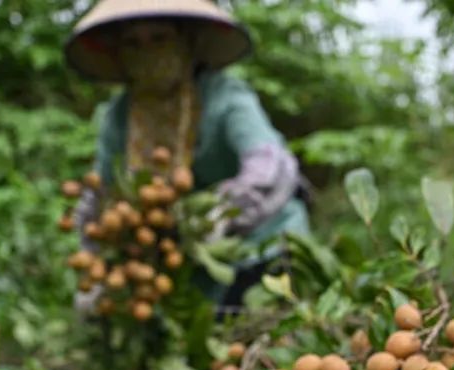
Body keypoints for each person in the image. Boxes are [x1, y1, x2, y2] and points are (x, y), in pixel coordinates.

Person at [64, 0, 309, 310]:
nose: (148, 51)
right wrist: (98, 262)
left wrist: (221, 212)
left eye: (159, 38)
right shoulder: (118, 116)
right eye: (133, 43)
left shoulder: (224, 95)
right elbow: (102, 196)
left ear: (185, 41)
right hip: (192, 265)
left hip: (267, 246)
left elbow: (268, 164)